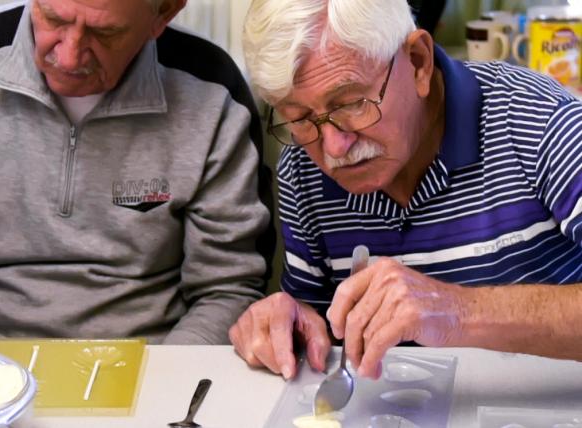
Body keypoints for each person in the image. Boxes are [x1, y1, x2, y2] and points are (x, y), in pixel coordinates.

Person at [0, 0, 274, 345]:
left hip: (150, 367)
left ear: (164, 13)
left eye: (105, 33)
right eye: (53, 18)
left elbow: (227, 289)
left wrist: (164, 391)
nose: (69, 55)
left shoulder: (212, 94)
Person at [229, 0, 582, 380]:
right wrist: (287, 324)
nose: (333, 148)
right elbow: (320, 338)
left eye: (352, 103)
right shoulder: (302, 169)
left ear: (418, 62)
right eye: (298, 118)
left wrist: (458, 312)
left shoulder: (541, 122)